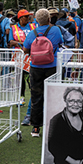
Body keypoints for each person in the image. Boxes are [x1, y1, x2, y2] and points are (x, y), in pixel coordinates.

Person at [23, 9, 63, 137]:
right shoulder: (56, 30)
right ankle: (54, 126)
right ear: (49, 19)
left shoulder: (32, 33)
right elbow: (61, 43)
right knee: (54, 96)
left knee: (36, 97)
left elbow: (25, 49)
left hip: (35, 67)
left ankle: (35, 127)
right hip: (52, 65)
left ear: (36, 20)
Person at [47, 88, 83, 164]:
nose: (75, 104)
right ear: (66, 101)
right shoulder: (56, 120)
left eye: (79, 101)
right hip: (68, 163)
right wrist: (77, 162)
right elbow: (53, 147)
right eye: (72, 101)